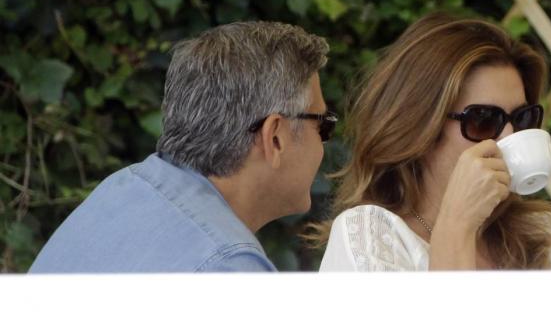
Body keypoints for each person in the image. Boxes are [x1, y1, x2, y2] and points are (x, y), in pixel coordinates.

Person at [30, 22, 332, 272]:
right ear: (275, 137)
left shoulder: (125, 189)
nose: (324, 142)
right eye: (323, 125)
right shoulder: (228, 267)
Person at [316, 14, 551, 271]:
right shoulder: (370, 236)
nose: (509, 136)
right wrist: (458, 225)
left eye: (522, 118)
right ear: (421, 127)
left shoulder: (547, 234)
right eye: (484, 120)